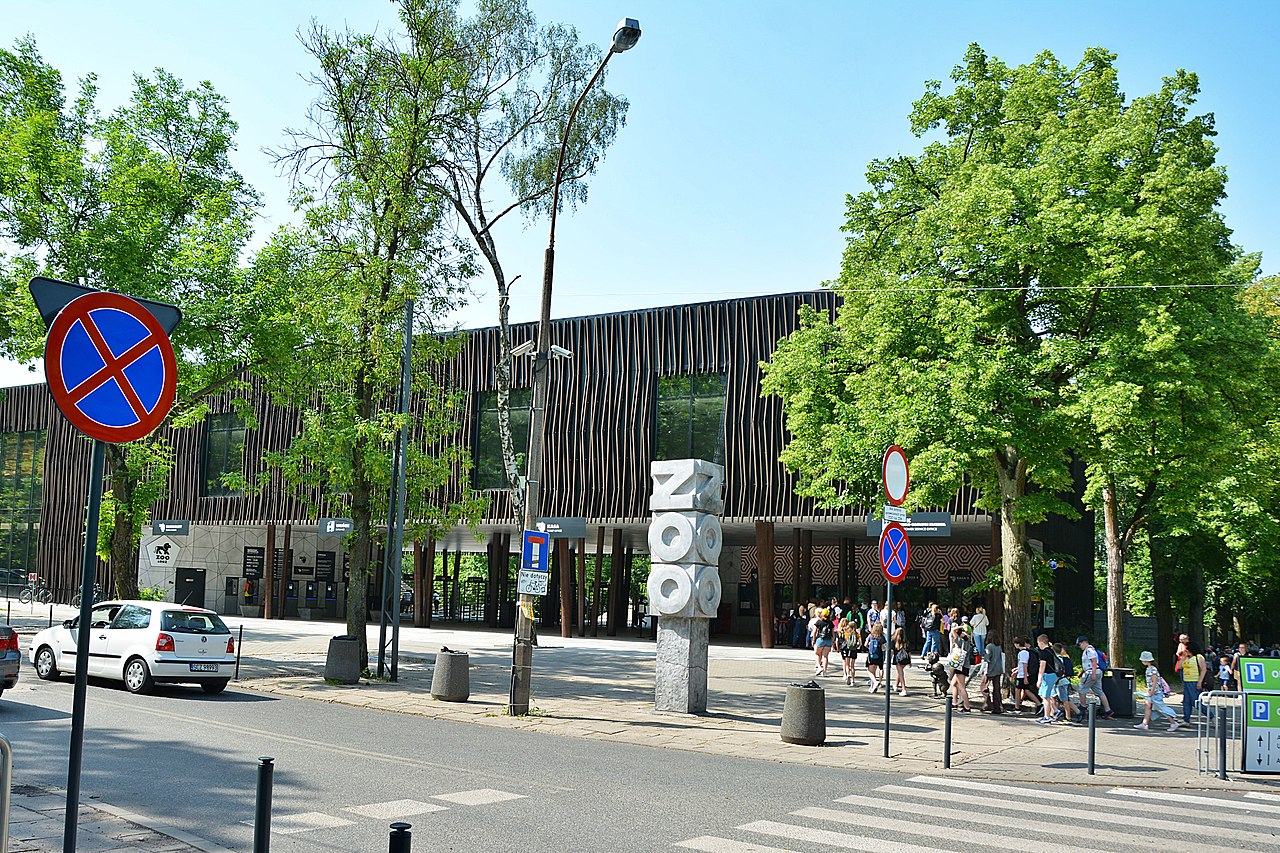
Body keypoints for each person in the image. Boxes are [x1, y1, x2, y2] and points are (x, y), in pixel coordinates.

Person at [1135, 650, 1181, 732]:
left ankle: (1173, 722)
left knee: (1161, 708)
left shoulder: (1151, 669)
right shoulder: (1152, 668)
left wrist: (1151, 691)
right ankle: (1144, 723)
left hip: (1155, 692)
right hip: (1154, 692)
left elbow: (1155, 681)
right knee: (1148, 706)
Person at [1076, 635, 1115, 719]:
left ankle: (1083, 707)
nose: (1080, 647)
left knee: (1081, 688)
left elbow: (1094, 662)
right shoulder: (1091, 650)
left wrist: (1093, 674)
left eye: (1079, 645)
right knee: (1099, 691)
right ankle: (1108, 710)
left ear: (1084, 642)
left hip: (1091, 672)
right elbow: (1088, 663)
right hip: (1097, 672)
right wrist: (1082, 672)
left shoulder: (1089, 650)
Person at [1178, 640, 1210, 723]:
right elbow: (1180, 666)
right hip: (1186, 681)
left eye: (1187, 649)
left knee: (1195, 701)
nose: (1186, 650)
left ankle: (1211, 716)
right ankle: (1186, 719)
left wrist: (1200, 681)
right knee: (1186, 701)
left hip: (1194, 681)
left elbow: (1203, 670)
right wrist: (1184, 657)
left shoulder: (1198, 657)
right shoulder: (1186, 657)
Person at [945, 625, 974, 711]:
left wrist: (960, 626)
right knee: (954, 684)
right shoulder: (968, 640)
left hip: (960, 665)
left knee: (962, 687)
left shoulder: (960, 641)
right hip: (964, 665)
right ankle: (954, 703)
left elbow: (953, 630)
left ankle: (967, 707)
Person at [1034, 634, 1060, 724]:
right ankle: (1055, 710)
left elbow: (1042, 667)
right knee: (1042, 694)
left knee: (1045, 697)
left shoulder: (1043, 653)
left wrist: (1039, 679)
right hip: (1053, 675)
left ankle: (1047, 716)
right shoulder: (1051, 651)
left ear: (1041, 642)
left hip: (1047, 675)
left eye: (1038, 643)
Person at [1012, 638, 1040, 715]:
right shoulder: (1026, 652)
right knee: (1025, 690)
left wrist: (1025, 677)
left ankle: (1017, 707)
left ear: (1018, 644)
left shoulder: (1022, 653)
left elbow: (1024, 665)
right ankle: (1038, 704)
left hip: (1022, 675)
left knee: (1019, 690)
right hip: (1022, 674)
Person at [981, 636, 1005, 713]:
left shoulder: (989, 646)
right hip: (998, 669)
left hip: (991, 669)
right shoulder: (998, 646)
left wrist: (983, 670)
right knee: (996, 689)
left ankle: (988, 704)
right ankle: (997, 707)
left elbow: (987, 659)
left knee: (983, 686)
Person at [811, 608, 835, 676]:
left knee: (817, 653)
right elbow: (833, 633)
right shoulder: (830, 622)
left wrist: (813, 640)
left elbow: (815, 632)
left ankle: (819, 667)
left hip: (820, 639)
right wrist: (833, 640)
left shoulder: (819, 622)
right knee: (825, 656)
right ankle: (825, 671)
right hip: (828, 640)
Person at [837, 616, 859, 686]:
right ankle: (853, 680)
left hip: (848, 649)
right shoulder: (857, 634)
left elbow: (845, 641)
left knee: (847, 664)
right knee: (853, 665)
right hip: (854, 649)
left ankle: (847, 674)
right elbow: (860, 643)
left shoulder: (846, 633)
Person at [865, 622, 886, 693]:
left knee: (870, 670)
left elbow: (865, 644)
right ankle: (873, 686)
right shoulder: (882, 637)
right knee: (876, 669)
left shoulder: (870, 636)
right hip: (879, 655)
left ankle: (874, 682)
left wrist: (870, 648)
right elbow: (884, 648)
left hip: (871, 655)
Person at [890, 627, 910, 695]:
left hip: (898, 660)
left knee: (901, 674)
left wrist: (889, 659)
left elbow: (892, 652)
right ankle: (895, 685)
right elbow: (909, 652)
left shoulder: (894, 641)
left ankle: (904, 689)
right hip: (905, 659)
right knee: (900, 672)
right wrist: (910, 661)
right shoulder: (906, 641)